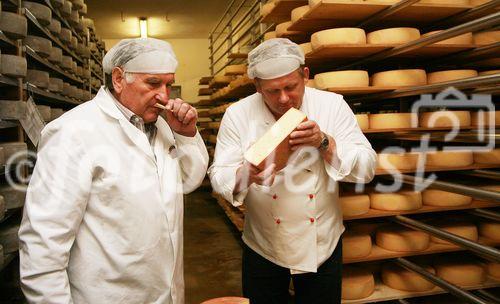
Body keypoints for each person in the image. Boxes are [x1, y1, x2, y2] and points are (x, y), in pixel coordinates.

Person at [19, 38, 209, 303]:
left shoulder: (162, 126)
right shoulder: (73, 133)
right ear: (119, 79)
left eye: (168, 84)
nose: (165, 96)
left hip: (164, 292)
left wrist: (186, 134)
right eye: (153, 83)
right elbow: (43, 244)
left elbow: (188, 181)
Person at [209, 38, 377, 303]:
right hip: (263, 243)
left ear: (305, 75)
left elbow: (367, 167)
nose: (284, 98)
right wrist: (246, 174)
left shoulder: (332, 105)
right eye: (272, 91)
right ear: (257, 87)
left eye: (291, 87)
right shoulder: (238, 114)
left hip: (322, 242)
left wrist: (325, 143)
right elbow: (218, 175)